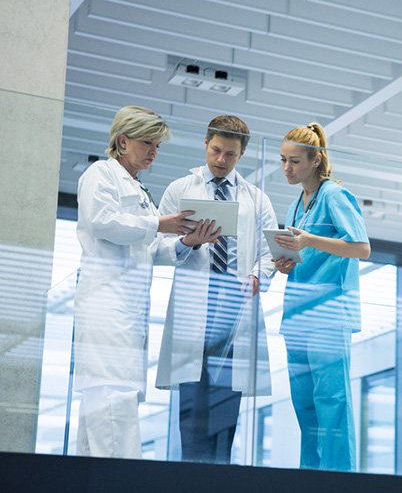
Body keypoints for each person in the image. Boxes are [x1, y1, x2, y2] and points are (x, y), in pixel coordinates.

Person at [74, 105, 220, 459]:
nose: (153, 151)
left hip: (129, 308)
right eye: (147, 143)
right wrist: (158, 224)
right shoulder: (101, 174)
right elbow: (102, 222)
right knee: (113, 400)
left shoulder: (139, 190)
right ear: (122, 141)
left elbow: (152, 250)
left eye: (157, 145)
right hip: (106, 305)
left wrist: (187, 241)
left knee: (107, 408)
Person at [155, 115, 278, 464]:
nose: (221, 160)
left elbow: (268, 253)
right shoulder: (181, 189)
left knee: (226, 415)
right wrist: (188, 244)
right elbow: (156, 248)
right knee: (192, 416)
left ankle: (218, 478)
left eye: (231, 155)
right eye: (217, 150)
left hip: (234, 310)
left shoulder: (257, 199)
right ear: (206, 142)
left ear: (242, 155)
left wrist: (257, 276)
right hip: (197, 310)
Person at [274, 122, 370, 471]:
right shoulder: (295, 206)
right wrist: (287, 262)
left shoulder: (335, 195)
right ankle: (310, 478)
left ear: (316, 160)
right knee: (305, 406)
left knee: (332, 402)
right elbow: (304, 255)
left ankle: (339, 480)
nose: (287, 168)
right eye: (283, 160)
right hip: (297, 315)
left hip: (329, 316)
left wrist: (310, 241)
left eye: (295, 161)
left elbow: (361, 248)